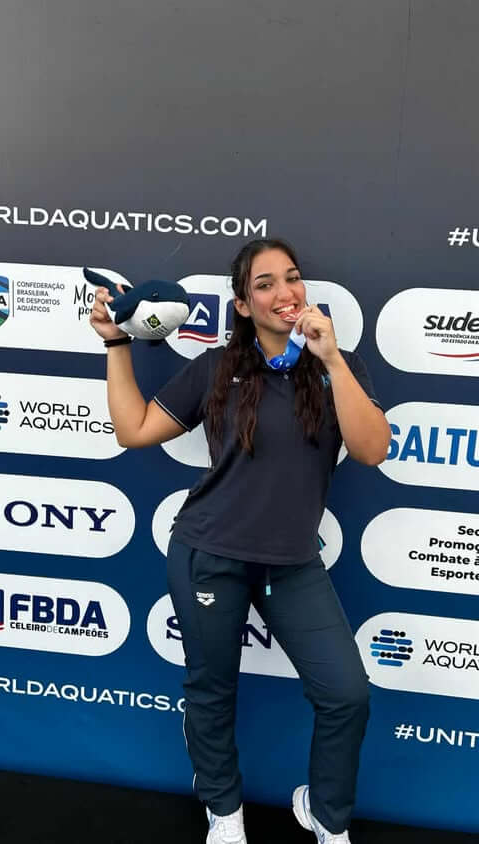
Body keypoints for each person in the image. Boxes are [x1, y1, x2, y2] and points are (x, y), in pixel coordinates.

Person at [90, 239, 391, 844]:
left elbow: (372, 450)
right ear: (243, 305)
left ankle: (326, 814)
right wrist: (117, 344)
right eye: (265, 284)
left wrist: (332, 360)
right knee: (211, 691)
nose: (285, 293)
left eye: (293, 278)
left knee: (347, 695)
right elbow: (134, 429)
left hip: (292, 565)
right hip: (209, 555)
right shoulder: (216, 368)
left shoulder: (339, 365)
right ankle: (224, 812)